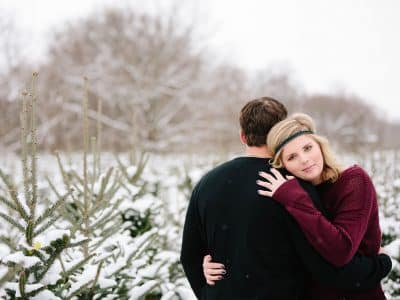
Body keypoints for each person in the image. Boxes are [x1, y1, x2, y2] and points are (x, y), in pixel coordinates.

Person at [180, 98, 392, 300]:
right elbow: (328, 268)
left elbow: (190, 256)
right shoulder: (292, 187)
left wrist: (209, 294)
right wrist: (381, 264)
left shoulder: (207, 183)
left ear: (242, 136)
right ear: (281, 133)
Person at [253, 112, 387, 299]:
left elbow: (341, 251)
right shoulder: (289, 192)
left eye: (308, 148)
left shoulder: (354, 181)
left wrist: (294, 198)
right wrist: (209, 261)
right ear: (283, 165)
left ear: (320, 145)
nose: (304, 159)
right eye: (292, 157)